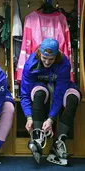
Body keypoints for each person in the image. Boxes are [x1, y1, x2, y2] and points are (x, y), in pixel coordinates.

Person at [20, 38, 81, 166]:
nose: (47, 62)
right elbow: (24, 94)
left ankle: (59, 142)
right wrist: (29, 116)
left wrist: (51, 119)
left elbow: (59, 95)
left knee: (73, 98)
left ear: (56, 56)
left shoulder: (64, 63)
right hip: (42, 87)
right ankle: (37, 136)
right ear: (39, 53)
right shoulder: (30, 64)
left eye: (51, 59)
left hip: (60, 87)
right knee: (39, 93)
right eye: (44, 58)